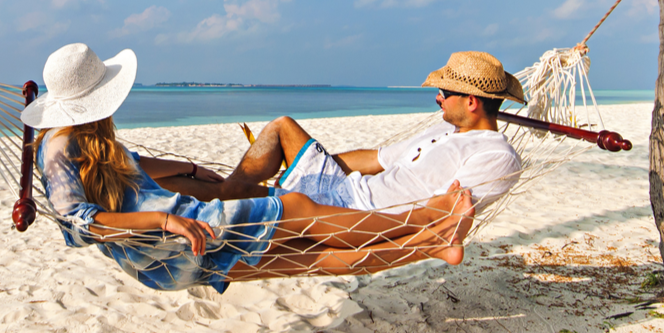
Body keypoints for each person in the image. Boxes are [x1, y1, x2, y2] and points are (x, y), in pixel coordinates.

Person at [24, 43, 476, 294]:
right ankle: (427, 220)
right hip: (174, 237)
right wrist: (165, 219)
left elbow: (128, 166)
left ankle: (430, 246)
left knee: (306, 260)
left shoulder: (84, 137)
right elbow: (79, 224)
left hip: (162, 259)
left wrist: (190, 167)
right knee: (296, 208)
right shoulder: (59, 148)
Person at [168, 51, 525, 214]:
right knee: (282, 127)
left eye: (445, 93)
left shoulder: (496, 155)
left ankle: (151, 193)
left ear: (473, 102)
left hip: (353, 211)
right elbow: (374, 158)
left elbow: (448, 213)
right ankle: (234, 189)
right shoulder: (442, 129)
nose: (437, 97)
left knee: (241, 194)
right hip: (342, 185)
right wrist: (307, 169)